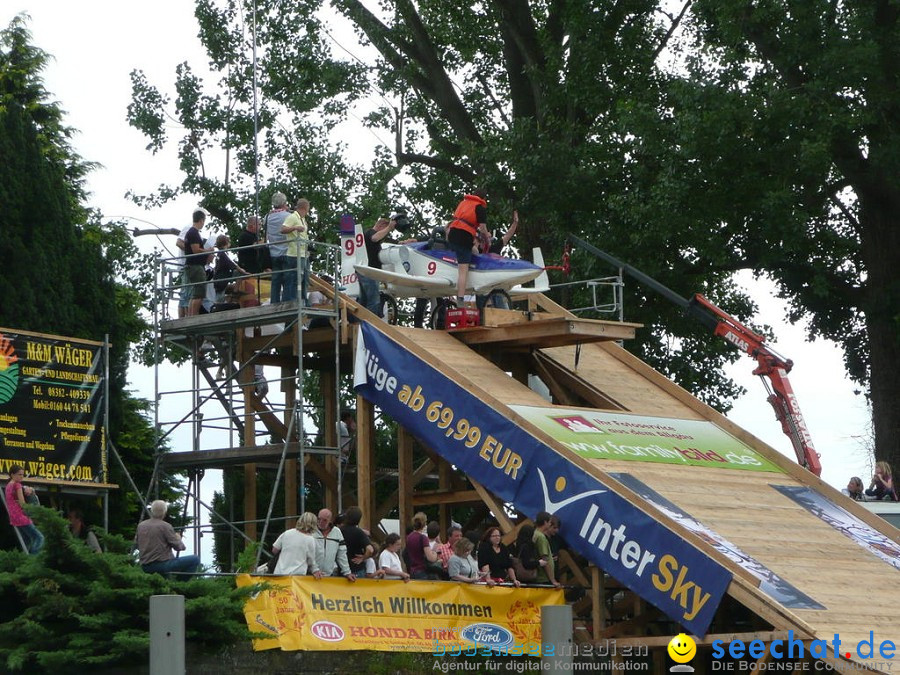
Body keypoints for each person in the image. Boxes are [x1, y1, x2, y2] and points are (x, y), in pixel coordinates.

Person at [446, 190, 489, 307]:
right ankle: (460, 299)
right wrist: (487, 238)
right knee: (463, 270)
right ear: (483, 198)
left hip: (453, 233)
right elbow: (483, 228)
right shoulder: (480, 208)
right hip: (464, 236)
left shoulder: (463, 203)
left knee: (473, 251)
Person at [136, 500, 200, 577]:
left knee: (166, 573)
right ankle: (179, 585)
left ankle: (170, 584)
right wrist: (178, 538)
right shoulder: (165, 526)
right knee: (195, 559)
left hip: (145, 566)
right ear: (164, 512)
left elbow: (138, 545)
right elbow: (179, 547)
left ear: (151, 510)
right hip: (161, 565)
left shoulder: (141, 526)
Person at [359, 216, 398, 316]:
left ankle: (358, 321)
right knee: (373, 301)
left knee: (363, 301)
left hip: (366, 272)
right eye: (384, 230)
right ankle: (372, 324)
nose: (385, 234)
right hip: (370, 272)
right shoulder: (370, 233)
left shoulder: (368, 236)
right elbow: (375, 237)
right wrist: (389, 227)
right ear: (380, 225)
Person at [4, 465, 44, 554]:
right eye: (19, 474)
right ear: (12, 474)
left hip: (14, 518)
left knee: (27, 541)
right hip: (22, 517)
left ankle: (24, 559)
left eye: (23, 475)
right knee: (40, 538)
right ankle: (33, 559)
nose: (21, 476)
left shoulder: (8, 486)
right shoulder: (17, 485)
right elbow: (23, 504)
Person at [272, 512, 323, 576]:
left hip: (279, 573)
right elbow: (311, 560)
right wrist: (315, 570)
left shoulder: (287, 533)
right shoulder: (310, 539)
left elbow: (274, 550)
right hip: (297, 575)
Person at [183, 210, 213, 316]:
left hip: (192, 266)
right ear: (201, 220)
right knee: (199, 293)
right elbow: (195, 250)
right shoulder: (194, 233)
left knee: (195, 294)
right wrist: (208, 251)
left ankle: (191, 315)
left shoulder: (190, 232)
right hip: (195, 266)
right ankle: (194, 315)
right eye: (204, 221)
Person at [281, 198, 310, 304]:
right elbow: (283, 229)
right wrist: (295, 228)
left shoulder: (302, 219)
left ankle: (303, 299)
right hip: (295, 253)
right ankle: (293, 300)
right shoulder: (293, 217)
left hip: (303, 253)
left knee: (305, 278)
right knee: (295, 279)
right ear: (305, 208)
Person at [313, 508, 355, 580]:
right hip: (312, 575)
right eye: (319, 519)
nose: (321, 522)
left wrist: (347, 572)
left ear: (330, 520)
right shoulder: (311, 531)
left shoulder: (337, 532)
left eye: (325, 520)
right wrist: (314, 569)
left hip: (330, 575)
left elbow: (342, 554)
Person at [264, 192, 291, 303]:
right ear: (284, 203)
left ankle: (274, 302)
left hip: (273, 251)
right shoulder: (288, 216)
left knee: (276, 280)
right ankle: (286, 302)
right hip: (286, 251)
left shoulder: (267, 217)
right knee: (288, 279)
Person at [212, 234, 250, 304]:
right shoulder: (223, 254)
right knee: (219, 298)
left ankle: (235, 290)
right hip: (222, 278)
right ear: (226, 243)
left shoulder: (220, 253)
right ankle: (235, 292)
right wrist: (242, 270)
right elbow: (232, 264)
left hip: (221, 277)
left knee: (220, 295)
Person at [341, 506, 374, 575]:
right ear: (359, 519)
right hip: (356, 567)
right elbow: (370, 550)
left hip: (342, 566)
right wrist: (363, 558)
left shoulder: (339, 531)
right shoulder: (359, 532)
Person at [406, 512, 440, 579]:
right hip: (422, 571)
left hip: (412, 571)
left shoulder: (409, 537)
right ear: (424, 524)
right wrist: (436, 552)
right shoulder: (423, 538)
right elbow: (431, 558)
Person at [533, 512, 561, 587]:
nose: (549, 524)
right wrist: (553, 580)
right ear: (545, 522)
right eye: (549, 522)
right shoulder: (541, 537)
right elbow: (545, 559)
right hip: (544, 579)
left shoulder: (535, 533)